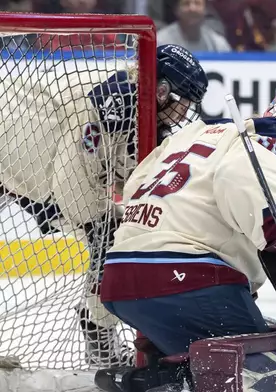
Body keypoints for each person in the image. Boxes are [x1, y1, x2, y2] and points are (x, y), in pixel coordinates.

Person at [99, 81, 276, 358]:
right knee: (265, 371)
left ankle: (156, 381)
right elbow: (240, 176)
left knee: (187, 373)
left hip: (118, 278)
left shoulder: (195, 133)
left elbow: (134, 186)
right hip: (187, 278)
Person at [0, 43, 208, 367]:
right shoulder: (106, 105)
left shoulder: (135, 106)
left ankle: (100, 336)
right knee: (109, 236)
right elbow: (72, 187)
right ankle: (100, 340)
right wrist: (119, 218)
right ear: (162, 91)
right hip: (16, 158)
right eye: (184, 103)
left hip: (16, 164)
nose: (184, 114)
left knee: (111, 235)